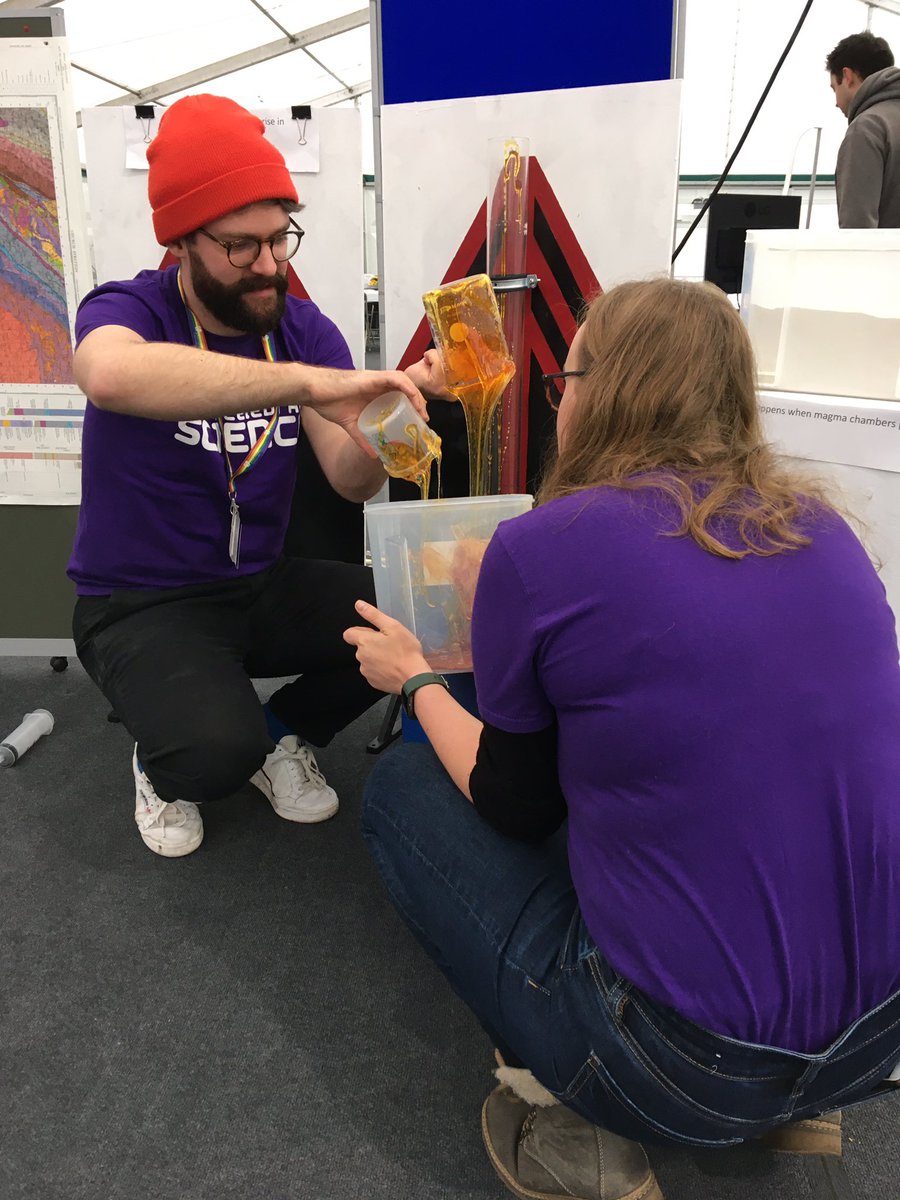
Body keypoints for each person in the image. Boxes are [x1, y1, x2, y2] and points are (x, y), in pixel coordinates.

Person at [344, 279, 900, 1200]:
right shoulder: (830, 531)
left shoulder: (541, 546)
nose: (562, 398)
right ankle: (788, 1105)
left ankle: (565, 1117)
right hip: (875, 1045)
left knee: (405, 790)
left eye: (569, 378)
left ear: (604, 389)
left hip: (684, 1073)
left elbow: (514, 806)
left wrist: (416, 679)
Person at [69, 93, 442, 859]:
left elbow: (348, 481)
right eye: (242, 246)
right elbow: (108, 376)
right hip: (142, 602)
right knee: (208, 756)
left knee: (423, 618)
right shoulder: (128, 310)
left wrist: (386, 418)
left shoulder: (299, 329)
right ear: (181, 241)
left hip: (260, 584)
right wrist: (307, 387)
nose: (271, 265)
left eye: (281, 239)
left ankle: (280, 736)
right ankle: (163, 760)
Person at [826, 31, 900, 227]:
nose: (836, 102)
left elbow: (857, 229)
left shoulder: (867, 128)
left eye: (834, 88)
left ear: (847, 76)